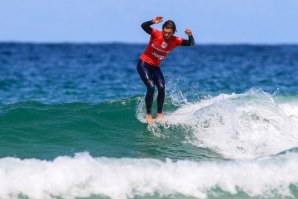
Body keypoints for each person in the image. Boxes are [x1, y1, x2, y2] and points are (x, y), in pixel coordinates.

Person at [137, 16, 195, 124]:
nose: (167, 35)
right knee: (151, 87)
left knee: (162, 87)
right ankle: (149, 114)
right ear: (162, 29)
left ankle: (159, 113)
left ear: (173, 32)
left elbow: (191, 44)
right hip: (144, 64)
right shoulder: (155, 34)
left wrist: (190, 35)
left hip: (156, 67)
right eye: (165, 32)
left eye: (170, 33)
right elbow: (143, 26)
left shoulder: (175, 40)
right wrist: (152, 22)